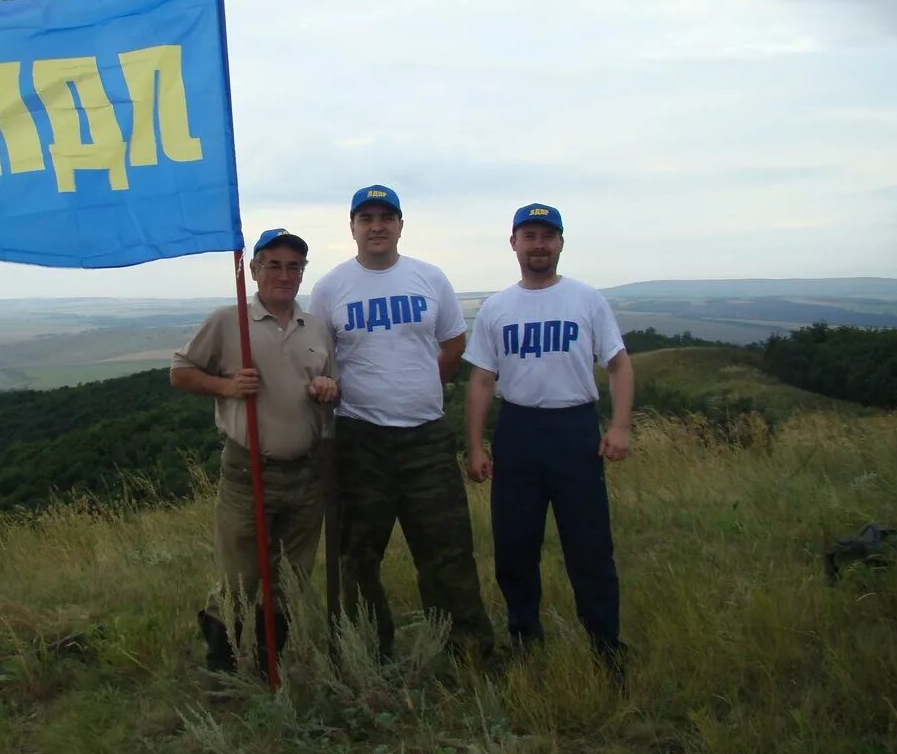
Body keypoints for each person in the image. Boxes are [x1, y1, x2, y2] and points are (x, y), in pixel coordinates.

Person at [309, 185, 494, 663]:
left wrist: (419, 385)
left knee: (447, 552)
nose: (377, 225)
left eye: (386, 216)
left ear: (400, 225)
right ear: (351, 226)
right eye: (366, 217)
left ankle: (467, 655)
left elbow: (454, 342)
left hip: (426, 439)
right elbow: (318, 358)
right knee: (357, 558)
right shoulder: (331, 288)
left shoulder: (429, 278)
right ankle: (369, 654)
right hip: (359, 440)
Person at [463, 203, 634, 667]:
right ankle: (525, 640)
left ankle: (605, 648)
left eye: (547, 236)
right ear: (513, 242)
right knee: (515, 545)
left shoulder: (586, 299)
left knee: (590, 546)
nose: (539, 244)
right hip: (518, 430)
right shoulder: (497, 307)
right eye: (529, 235)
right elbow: (481, 380)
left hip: (575, 430)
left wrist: (619, 426)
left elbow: (618, 364)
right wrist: (476, 445)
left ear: (560, 242)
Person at [171, 228, 338, 673]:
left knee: (289, 579)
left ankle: (270, 669)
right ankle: (222, 670)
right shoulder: (229, 322)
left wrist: (328, 389)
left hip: (306, 473)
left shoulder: (316, 327)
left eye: (294, 266)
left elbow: (334, 388)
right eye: (274, 265)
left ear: (303, 273)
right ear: (254, 269)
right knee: (239, 579)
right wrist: (226, 386)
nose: (284, 275)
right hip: (249, 471)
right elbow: (180, 373)